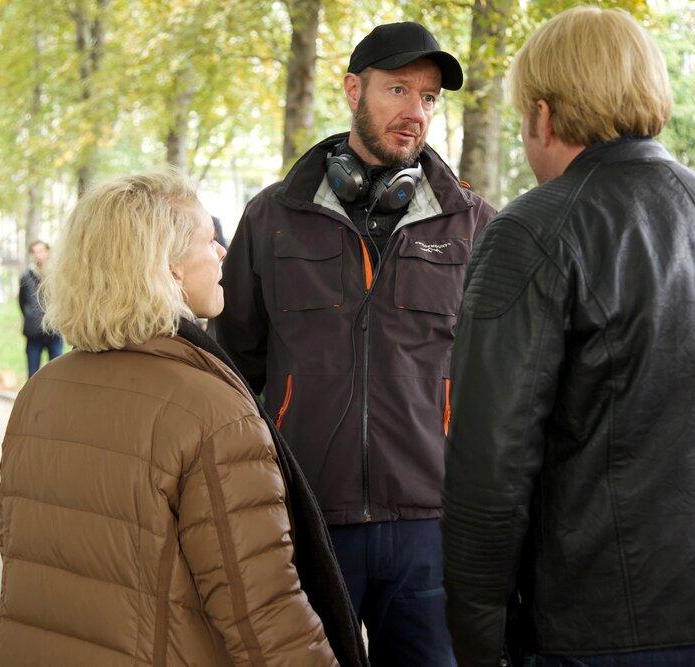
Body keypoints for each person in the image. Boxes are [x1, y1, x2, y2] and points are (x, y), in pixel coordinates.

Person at [441, 7, 695, 666]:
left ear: (542, 116)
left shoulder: (532, 231)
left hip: (601, 627)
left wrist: (476, 635)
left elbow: (490, 464)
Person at [0, 171, 367, 666]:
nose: (223, 253)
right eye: (210, 240)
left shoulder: (41, 392)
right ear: (170, 269)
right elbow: (263, 615)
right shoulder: (213, 411)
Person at [217, 21, 495, 664]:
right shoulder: (272, 217)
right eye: (398, 89)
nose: (415, 113)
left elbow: (498, 380)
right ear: (352, 90)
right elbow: (230, 368)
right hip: (306, 519)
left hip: (430, 526)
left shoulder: (476, 226)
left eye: (428, 98)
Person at [18, 240, 63, 378]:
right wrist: (29, 316)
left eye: (42, 251)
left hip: (54, 331)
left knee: (57, 373)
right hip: (34, 333)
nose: (39, 255)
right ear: (32, 255)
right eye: (35, 252)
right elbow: (22, 302)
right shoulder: (26, 277)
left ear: (47, 252)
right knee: (33, 376)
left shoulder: (57, 275)